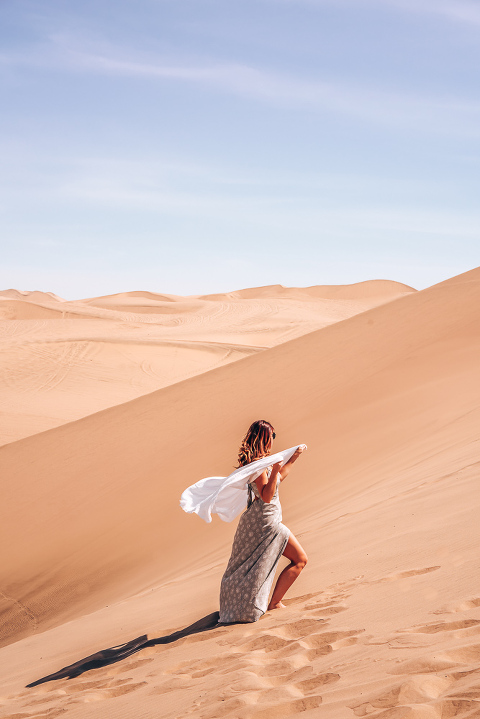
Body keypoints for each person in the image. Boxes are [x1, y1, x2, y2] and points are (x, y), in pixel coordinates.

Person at [219, 420, 307, 624]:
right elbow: (267, 496)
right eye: (272, 437)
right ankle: (272, 603)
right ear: (264, 437)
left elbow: (276, 482)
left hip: (261, 520)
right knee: (300, 559)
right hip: (266, 523)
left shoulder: (257, 463)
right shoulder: (258, 466)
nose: (273, 441)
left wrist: (293, 458)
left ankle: (268, 602)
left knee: (248, 564)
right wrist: (274, 469)